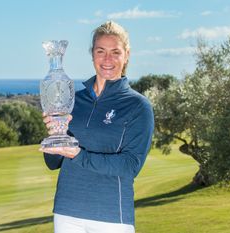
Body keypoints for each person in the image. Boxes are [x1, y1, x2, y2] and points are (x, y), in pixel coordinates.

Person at [40, 21, 154, 233]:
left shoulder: (138, 106)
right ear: (92, 54)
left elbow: (130, 166)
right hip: (67, 212)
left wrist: (78, 154)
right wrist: (57, 134)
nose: (107, 59)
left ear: (126, 55)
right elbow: (53, 162)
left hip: (111, 216)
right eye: (101, 51)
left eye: (115, 52)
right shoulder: (73, 100)